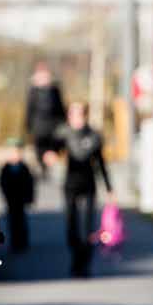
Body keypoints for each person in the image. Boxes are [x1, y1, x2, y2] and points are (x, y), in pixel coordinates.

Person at [52, 101, 113, 278]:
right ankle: (75, 261)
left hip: (88, 186)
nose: (74, 117)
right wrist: (49, 153)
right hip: (70, 185)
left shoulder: (93, 136)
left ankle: (84, 265)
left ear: (85, 115)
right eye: (71, 114)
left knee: (87, 229)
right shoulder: (64, 133)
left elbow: (101, 163)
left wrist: (109, 188)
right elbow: (52, 146)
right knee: (71, 228)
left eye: (78, 114)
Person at [25, 62, 66, 173]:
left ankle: (50, 169)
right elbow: (29, 110)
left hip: (54, 129)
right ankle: (43, 170)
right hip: (39, 130)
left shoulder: (55, 90)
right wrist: (28, 128)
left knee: (53, 153)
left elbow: (61, 109)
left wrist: (64, 123)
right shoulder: (32, 91)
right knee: (40, 155)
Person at [0, 138, 35, 252]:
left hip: (22, 198)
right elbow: (2, 182)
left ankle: (23, 241)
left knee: (21, 219)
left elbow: (30, 183)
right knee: (12, 220)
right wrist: (5, 194)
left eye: (18, 152)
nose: (15, 155)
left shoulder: (24, 167)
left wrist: (30, 197)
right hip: (11, 198)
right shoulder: (6, 168)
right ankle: (15, 242)